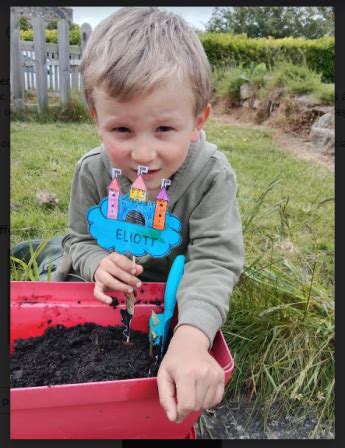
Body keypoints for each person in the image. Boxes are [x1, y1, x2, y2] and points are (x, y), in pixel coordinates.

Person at [42, 7, 245, 423]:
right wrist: (97, 263)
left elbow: (215, 260)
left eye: (165, 130)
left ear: (197, 120)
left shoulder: (211, 177)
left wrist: (192, 337)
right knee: (56, 268)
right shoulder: (92, 170)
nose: (143, 154)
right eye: (121, 130)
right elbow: (78, 239)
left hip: (171, 303)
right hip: (101, 299)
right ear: (97, 120)